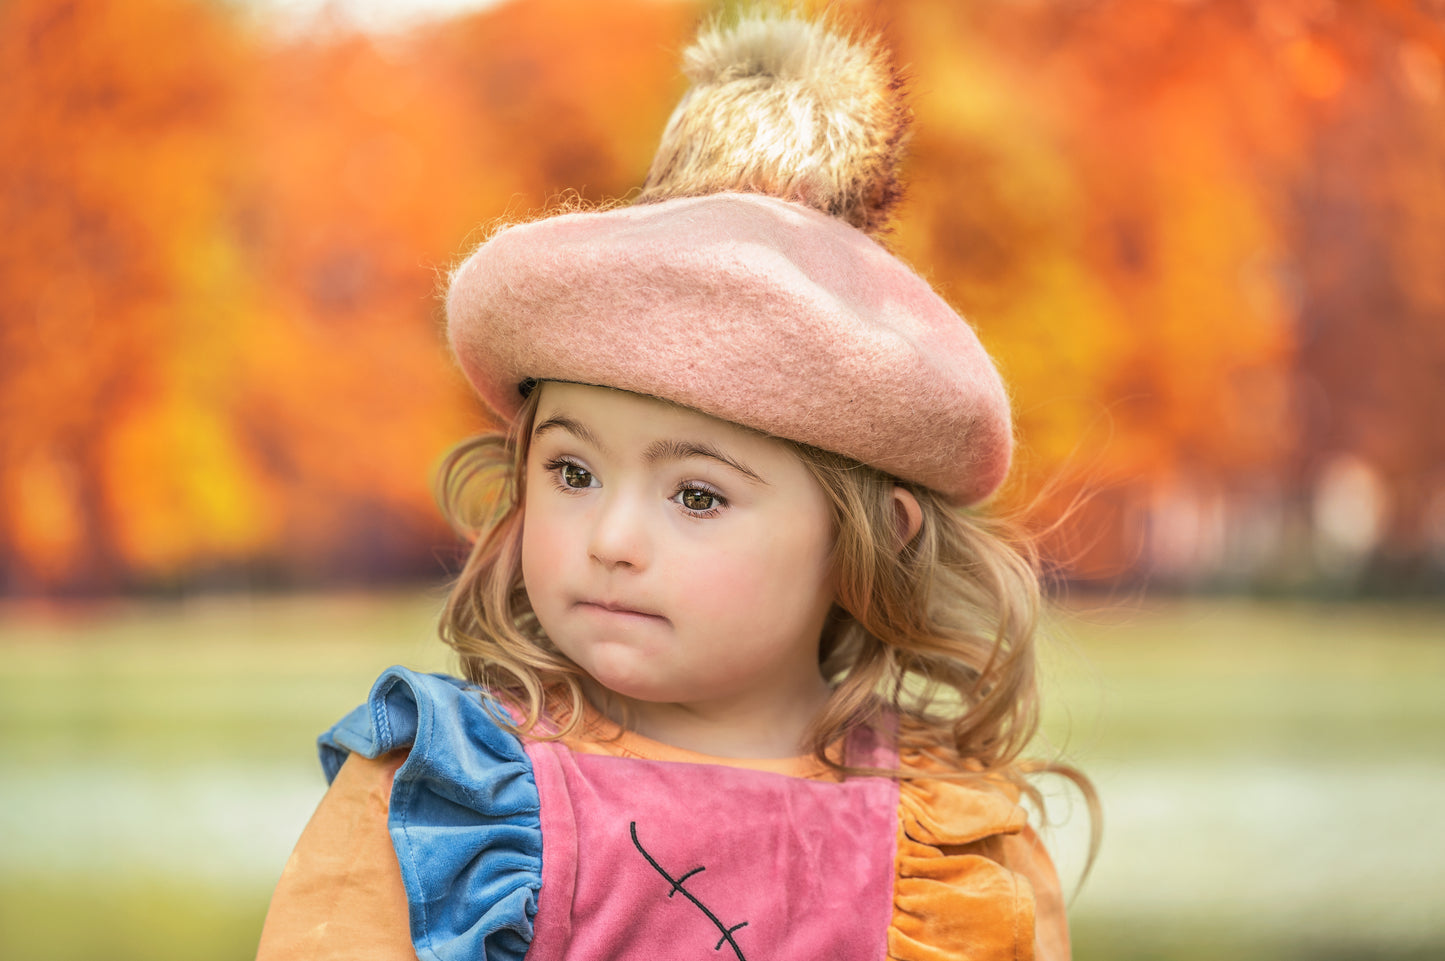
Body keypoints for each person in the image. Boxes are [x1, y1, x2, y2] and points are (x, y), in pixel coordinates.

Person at [257, 8, 1095, 961]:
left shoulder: (951, 847)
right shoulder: (447, 802)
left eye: (696, 495)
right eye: (572, 471)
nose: (611, 535)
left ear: (874, 537)